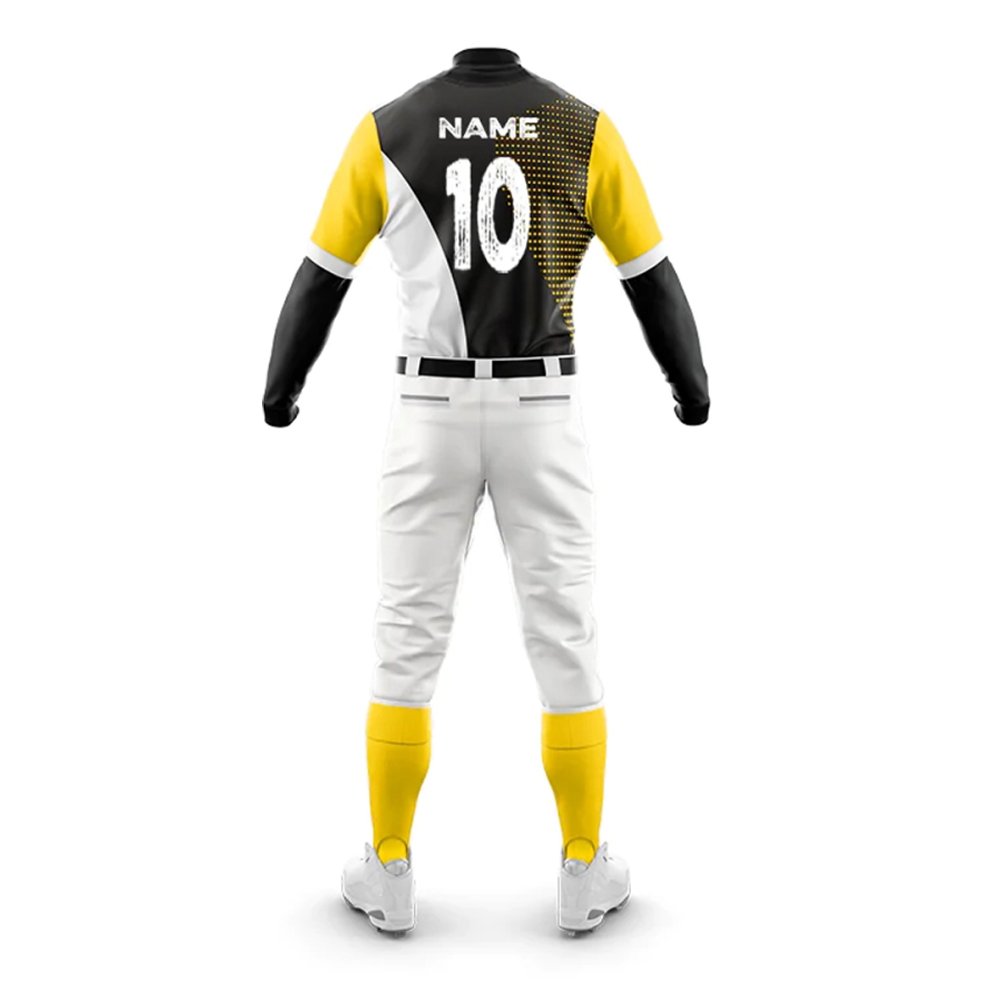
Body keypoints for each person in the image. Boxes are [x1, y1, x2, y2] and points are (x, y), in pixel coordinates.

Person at [262, 47, 710, 935]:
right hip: (542, 408)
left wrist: (282, 389)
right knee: (564, 632)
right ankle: (582, 863)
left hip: (427, 408)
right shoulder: (582, 127)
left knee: (406, 633)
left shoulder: (388, 129)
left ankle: (389, 863)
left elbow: (321, 275)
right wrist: (690, 386)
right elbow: (650, 274)